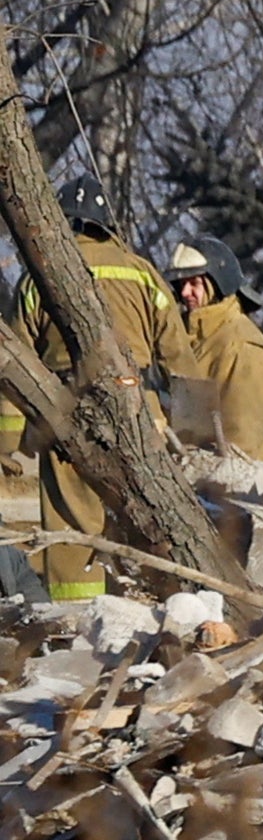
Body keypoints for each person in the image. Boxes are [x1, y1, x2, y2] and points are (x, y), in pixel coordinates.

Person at [8, 172, 191, 599]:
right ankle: (159, 600)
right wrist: (197, 434)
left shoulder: (40, 274)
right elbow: (180, 359)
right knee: (148, 508)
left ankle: (77, 618)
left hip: (67, 406)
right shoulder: (145, 274)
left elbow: (12, 359)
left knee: (73, 520)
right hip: (141, 407)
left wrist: (7, 447)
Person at [158, 240, 263, 468]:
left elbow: (242, 443)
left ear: (219, 283)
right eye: (181, 284)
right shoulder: (185, 339)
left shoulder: (242, 347)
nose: (185, 292)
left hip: (238, 484)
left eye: (194, 283)